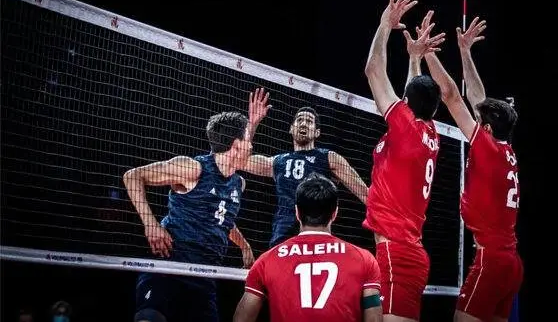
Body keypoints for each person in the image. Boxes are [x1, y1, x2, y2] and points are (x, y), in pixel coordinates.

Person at [123, 88, 271, 322]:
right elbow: (132, 176)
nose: (252, 145)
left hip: (204, 277)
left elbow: (222, 219)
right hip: (168, 268)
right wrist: (151, 225)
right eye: (247, 139)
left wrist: (244, 246)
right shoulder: (192, 169)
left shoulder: (237, 183)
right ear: (235, 145)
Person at [419, 17, 523, 322]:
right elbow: (479, 100)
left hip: (491, 260)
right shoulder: (505, 149)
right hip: (511, 262)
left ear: (486, 128)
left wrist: (428, 53)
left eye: (481, 122)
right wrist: (465, 52)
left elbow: (452, 95)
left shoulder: (487, 148)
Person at [362, 0, 445, 322]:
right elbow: (415, 93)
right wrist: (414, 58)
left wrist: (385, 23)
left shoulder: (407, 128)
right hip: (402, 250)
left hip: (398, 253)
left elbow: (373, 70)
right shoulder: (429, 131)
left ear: (407, 103)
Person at [233, 172, 383, 322]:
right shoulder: (364, 259)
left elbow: (242, 319)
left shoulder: (266, 261)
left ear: (297, 212)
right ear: (334, 213)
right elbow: (374, 319)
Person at [243, 106, 369, 247]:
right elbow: (242, 161)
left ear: (317, 132)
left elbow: (365, 194)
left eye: (309, 121)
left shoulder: (329, 157)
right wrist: (252, 124)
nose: (303, 124)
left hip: (317, 236)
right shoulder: (278, 162)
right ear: (291, 129)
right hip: (283, 238)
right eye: (299, 120)